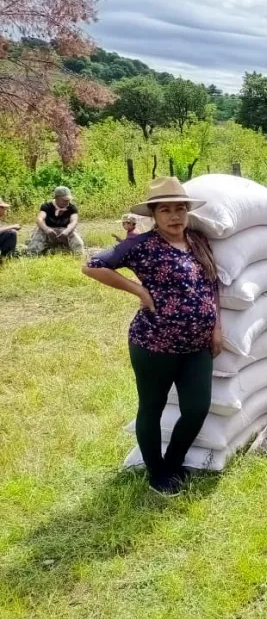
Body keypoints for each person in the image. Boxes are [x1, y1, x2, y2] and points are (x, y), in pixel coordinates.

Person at [82, 178, 222, 496]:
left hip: (198, 345)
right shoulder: (141, 245)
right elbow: (93, 266)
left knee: (197, 407)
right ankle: (157, 473)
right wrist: (138, 289)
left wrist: (216, 326)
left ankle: (174, 461)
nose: (175, 216)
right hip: (154, 344)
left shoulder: (198, 241)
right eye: (166, 210)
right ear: (154, 215)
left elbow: (213, 284)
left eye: (180, 209)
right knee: (152, 408)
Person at [26, 186, 84, 255]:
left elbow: (74, 221)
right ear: (56, 198)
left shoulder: (72, 208)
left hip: (65, 231)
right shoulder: (47, 206)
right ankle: (32, 254)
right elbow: (39, 219)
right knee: (38, 237)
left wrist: (67, 231)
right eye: (64, 200)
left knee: (77, 242)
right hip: (48, 231)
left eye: (68, 200)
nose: (67, 202)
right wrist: (47, 229)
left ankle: (78, 255)